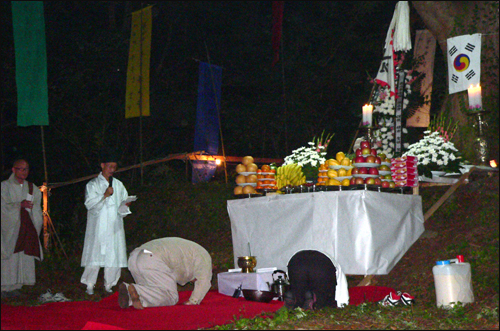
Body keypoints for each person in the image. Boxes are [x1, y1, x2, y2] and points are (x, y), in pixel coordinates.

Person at [80, 154, 133, 295]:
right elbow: (90, 204)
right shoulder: (92, 184)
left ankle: (109, 284)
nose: (112, 170)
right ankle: (89, 284)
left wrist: (125, 205)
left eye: (114, 167)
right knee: (94, 254)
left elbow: (122, 205)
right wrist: (104, 195)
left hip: (114, 226)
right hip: (98, 226)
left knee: (113, 255)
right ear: (103, 165)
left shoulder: (118, 184)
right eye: (110, 166)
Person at [118, 237, 213, 309]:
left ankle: (129, 294)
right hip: (152, 258)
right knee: (171, 296)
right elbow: (204, 281)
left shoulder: (190, 250)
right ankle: (138, 291)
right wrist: (193, 301)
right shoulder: (204, 258)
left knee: (151, 289)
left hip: (134, 257)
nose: (192, 282)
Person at [1, 159, 43, 298]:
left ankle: (17, 286)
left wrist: (34, 223)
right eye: (20, 169)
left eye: (26, 169)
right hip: (9, 228)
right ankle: (4, 287)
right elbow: (3, 207)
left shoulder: (32, 188)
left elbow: (37, 209)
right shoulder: (4, 187)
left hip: (25, 228)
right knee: (9, 256)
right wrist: (19, 205)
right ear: (13, 170)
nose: (24, 172)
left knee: (22, 256)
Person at [284, 250, 349, 310]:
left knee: (299, 296)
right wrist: (342, 304)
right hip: (321, 264)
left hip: (296, 262)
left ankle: (297, 303)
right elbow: (342, 286)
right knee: (323, 301)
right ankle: (316, 305)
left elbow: (290, 279)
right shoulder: (336, 266)